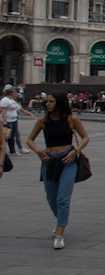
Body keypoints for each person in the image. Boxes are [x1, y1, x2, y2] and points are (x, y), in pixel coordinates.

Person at [25, 92, 90, 249]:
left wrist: (76, 151)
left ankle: (60, 234)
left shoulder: (71, 119)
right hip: (48, 160)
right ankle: (61, 219)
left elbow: (85, 137)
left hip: (67, 160)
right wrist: (39, 151)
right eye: (47, 101)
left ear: (60, 103)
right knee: (51, 198)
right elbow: (29, 140)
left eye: (51, 101)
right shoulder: (43, 121)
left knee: (63, 199)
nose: (47, 104)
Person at [2, 85, 36, 155]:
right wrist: (4, 120)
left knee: (13, 135)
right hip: (8, 121)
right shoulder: (5, 100)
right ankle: (10, 150)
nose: (15, 93)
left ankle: (13, 150)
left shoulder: (12, 100)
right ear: (10, 93)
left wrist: (30, 114)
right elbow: (3, 111)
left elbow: (20, 109)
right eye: (14, 92)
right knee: (8, 136)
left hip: (14, 120)